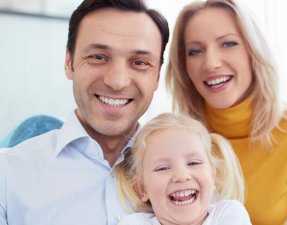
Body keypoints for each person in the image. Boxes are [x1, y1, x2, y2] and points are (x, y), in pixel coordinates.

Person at [0, 0, 169, 224]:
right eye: (98, 57)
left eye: (139, 62)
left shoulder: (193, 175)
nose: (117, 82)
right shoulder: (8, 175)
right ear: (69, 62)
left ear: (157, 76)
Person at [165, 0, 287, 225]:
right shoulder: (168, 139)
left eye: (229, 43)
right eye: (195, 51)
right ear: (184, 66)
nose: (211, 63)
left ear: (254, 51)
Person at [116, 113, 251, 225]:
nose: (181, 176)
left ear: (213, 175)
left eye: (193, 163)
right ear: (142, 189)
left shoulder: (229, 215)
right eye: (162, 168)